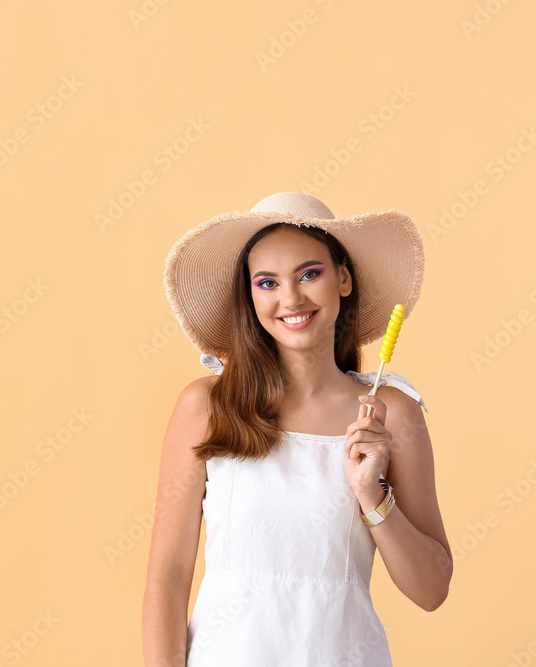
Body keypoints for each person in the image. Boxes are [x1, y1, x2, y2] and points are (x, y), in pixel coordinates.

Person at [142, 192, 452, 666]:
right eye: (267, 282)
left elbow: (432, 590)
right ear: (250, 295)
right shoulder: (207, 406)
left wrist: (373, 496)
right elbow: (167, 576)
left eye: (310, 273)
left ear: (343, 278)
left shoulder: (390, 414)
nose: (291, 298)